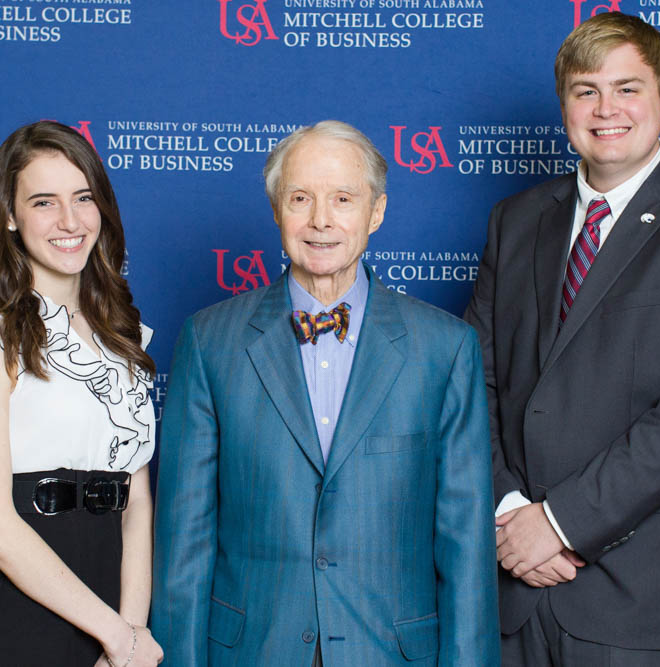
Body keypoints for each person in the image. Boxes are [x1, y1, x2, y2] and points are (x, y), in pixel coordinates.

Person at [464, 12, 660, 665]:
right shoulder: (515, 221)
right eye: (586, 91)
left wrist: (557, 523)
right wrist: (509, 511)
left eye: (627, 88)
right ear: (565, 107)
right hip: (514, 593)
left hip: (648, 601)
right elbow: (471, 382)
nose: (606, 109)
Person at [152, 120, 499, 666]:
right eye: (300, 198)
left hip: (392, 654)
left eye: (342, 198)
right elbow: (183, 543)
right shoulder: (209, 341)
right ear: (276, 211)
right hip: (252, 652)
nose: (321, 220)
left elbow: (467, 548)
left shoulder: (446, 348)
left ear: (376, 212)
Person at [0, 121, 163, 666]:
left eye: (83, 197)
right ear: (10, 216)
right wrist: (116, 632)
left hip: (113, 612)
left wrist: (130, 632)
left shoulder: (123, 335)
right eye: (43, 201)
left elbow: (136, 503)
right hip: (21, 611)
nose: (69, 220)